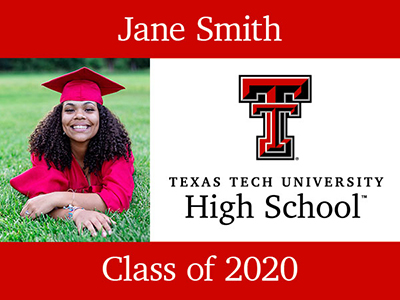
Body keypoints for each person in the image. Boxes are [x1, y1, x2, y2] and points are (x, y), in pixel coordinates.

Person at [10, 67, 134, 237]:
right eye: (70, 110)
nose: (79, 116)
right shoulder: (47, 151)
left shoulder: (116, 149)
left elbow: (118, 199)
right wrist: (76, 214)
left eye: (89, 109)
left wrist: (58, 198)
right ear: (59, 117)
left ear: (101, 117)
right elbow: (41, 203)